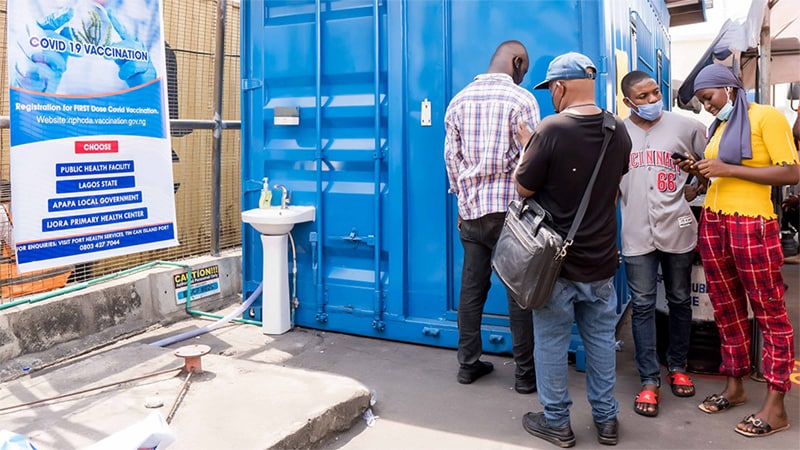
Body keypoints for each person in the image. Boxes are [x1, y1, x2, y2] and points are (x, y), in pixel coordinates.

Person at [514, 52, 631, 447]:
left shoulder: (551, 129)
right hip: (600, 259)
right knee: (600, 340)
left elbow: (523, 187)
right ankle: (607, 420)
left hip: (555, 264)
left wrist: (527, 147)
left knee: (550, 341)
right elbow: (612, 189)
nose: (551, 96)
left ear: (560, 87)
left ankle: (556, 422)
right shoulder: (619, 130)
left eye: (551, 90)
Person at [685, 63, 798, 438]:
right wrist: (701, 172)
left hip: (752, 224)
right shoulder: (718, 128)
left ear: (730, 87)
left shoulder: (766, 117)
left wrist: (729, 170)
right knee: (726, 308)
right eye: (701, 102)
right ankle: (734, 385)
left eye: (709, 98)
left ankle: (776, 402)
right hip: (715, 221)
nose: (707, 107)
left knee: (768, 310)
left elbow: (791, 172)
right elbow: (719, 173)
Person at [443, 40, 540, 394]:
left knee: (471, 290)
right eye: (524, 68)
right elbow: (532, 159)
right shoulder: (521, 100)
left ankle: (468, 366)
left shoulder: (458, 101)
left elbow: (452, 161)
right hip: (511, 212)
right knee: (519, 293)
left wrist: (462, 203)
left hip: (472, 213)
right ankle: (525, 376)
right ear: (516, 61)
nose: (523, 75)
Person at [617, 70, 707, 417]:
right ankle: (649, 379)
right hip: (637, 231)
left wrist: (696, 185)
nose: (654, 100)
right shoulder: (617, 133)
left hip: (677, 228)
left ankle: (678, 365)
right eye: (644, 96)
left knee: (679, 299)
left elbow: (708, 169)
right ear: (628, 102)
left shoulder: (686, 127)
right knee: (640, 305)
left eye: (656, 92)